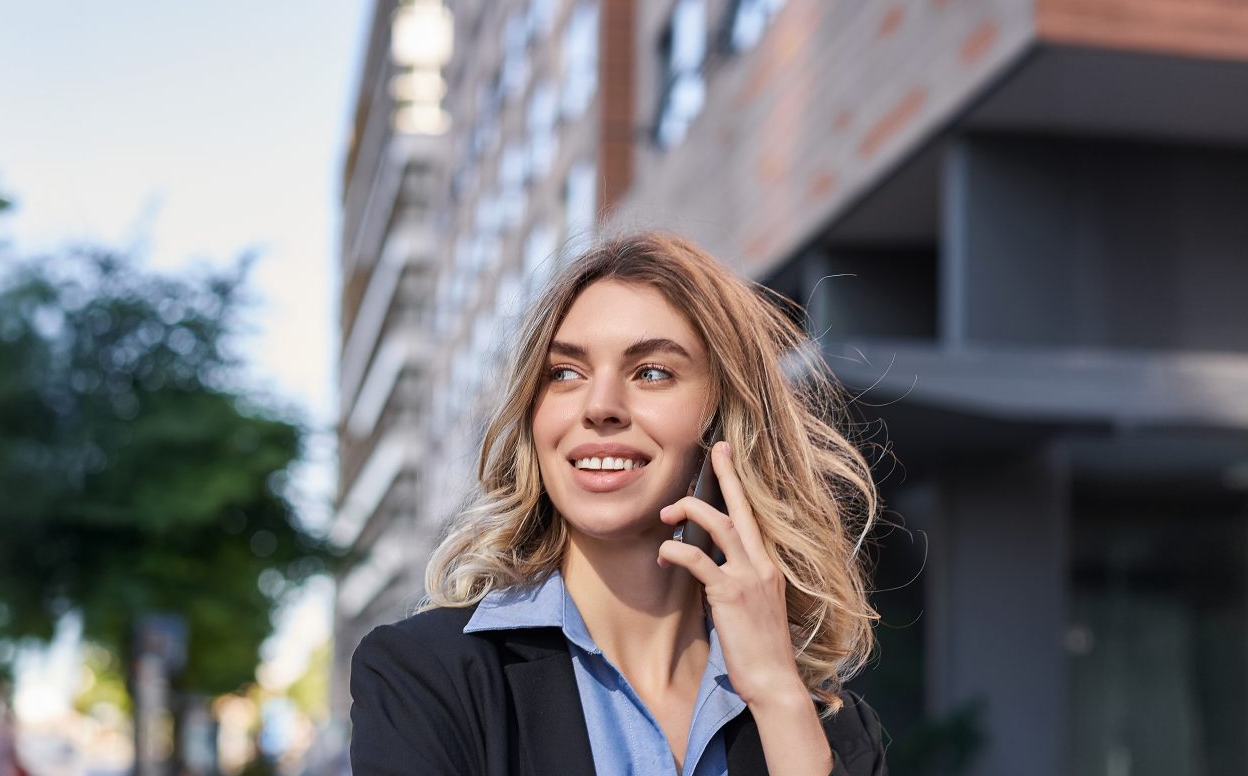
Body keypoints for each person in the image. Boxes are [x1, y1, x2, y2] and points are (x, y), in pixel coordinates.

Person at [350, 231, 890, 776]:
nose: (600, 406)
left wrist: (778, 697)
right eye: (565, 373)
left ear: (725, 419)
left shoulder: (828, 726)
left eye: (651, 372)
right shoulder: (426, 675)